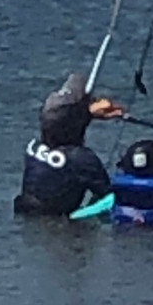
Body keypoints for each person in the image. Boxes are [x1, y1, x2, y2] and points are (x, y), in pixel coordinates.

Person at [13, 72, 125, 218]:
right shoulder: (82, 159)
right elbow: (109, 198)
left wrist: (87, 114)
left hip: (26, 217)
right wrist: (77, 217)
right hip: (60, 223)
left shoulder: (33, 147)